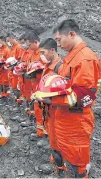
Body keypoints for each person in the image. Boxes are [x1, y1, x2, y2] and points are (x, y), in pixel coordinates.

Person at [37, 19, 101, 178]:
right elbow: (65, 86)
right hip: (65, 117)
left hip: (76, 122)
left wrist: (51, 101)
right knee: (66, 154)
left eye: (59, 40)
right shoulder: (72, 57)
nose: (58, 44)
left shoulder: (85, 59)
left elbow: (84, 96)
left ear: (72, 34)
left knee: (77, 163)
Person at [37, 38, 64, 176]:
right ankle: (57, 164)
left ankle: (61, 169)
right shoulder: (49, 65)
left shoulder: (60, 67)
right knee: (53, 138)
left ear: (52, 50)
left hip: (57, 110)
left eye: (43, 52)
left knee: (58, 141)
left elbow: (64, 92)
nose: (42, 55)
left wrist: (48, 100)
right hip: (50, 110)